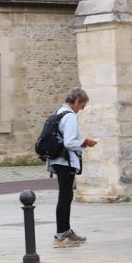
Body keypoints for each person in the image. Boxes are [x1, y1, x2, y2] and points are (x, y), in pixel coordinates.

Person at [48, 87, 96, 248]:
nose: (81, 109)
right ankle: (61, 235)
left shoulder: (59, 111)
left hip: (58, 160)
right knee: (64, 197)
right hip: (65, 162)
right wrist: (85, 142)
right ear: (76, 101)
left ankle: (66, 231)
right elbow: (69, 142)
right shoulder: (69, 117)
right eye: (82, 105)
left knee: (66, 196)